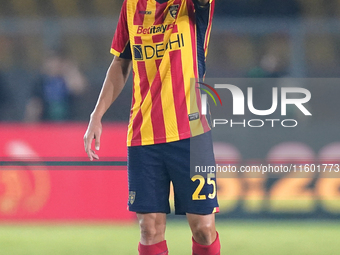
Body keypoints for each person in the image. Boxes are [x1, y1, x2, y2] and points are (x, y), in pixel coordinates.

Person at [84, 0, 220, 254]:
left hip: (192, 133)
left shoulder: (191, 5)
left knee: (203, 228)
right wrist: (96, 115)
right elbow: (120, 64)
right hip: (144, 134)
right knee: (149, 229)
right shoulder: (132, 6)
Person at [25, 50, 87, 122]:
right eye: (51, 62)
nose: (54, 65)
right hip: (46, 121)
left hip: (69, 121)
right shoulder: (41, 82)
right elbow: (34, 104)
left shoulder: (67, 79)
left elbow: (79, 89)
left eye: (57, 62)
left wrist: (70, 70)